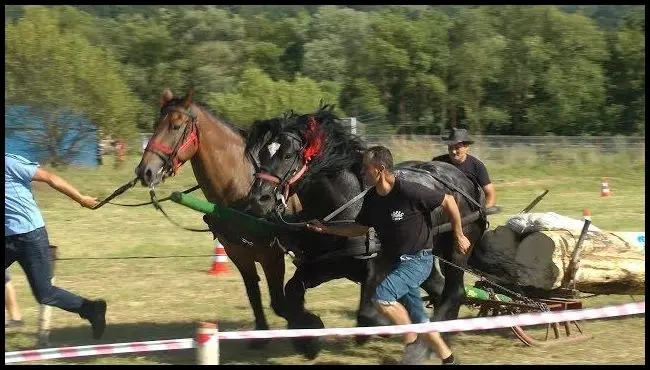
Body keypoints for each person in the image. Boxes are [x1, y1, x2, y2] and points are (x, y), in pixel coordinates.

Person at [307, 146, 469, 365]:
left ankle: (411, 341)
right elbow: (360, 228)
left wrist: (459, 234)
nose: (363, 172)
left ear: (380, 169)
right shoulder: (373, 199)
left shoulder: (408, 191)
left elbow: (448, 201)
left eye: (366, 168)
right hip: (396, 264)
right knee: (419, 318)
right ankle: (449, 360)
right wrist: (325, 229)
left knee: (383, 296)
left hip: (418, 261)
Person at [5, 153, 107, 340]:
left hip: (30, 237)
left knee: (44, 294)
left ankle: (91, 309)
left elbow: (50, 178)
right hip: (8, 238)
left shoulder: (9, 163)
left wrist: (81, 199)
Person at [432, 128, 497, 209]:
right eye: (450, 147)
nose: (453, 151)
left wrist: (483, 210)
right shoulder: (437, 162)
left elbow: (490, 193)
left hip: (468, 210)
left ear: (466, 147)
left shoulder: (477, 166)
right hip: (441, 209)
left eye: (457, 148)